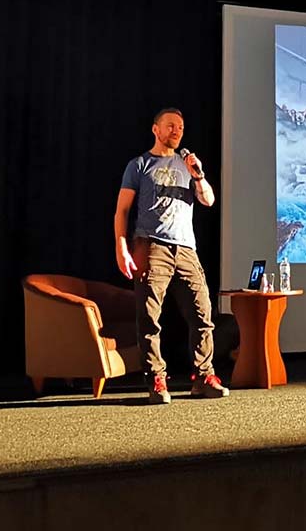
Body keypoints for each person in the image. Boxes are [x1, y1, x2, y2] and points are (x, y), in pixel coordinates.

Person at [114, 108, 228, 404]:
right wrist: (121, 246)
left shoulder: (187, 165)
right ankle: (156, 379)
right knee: (150, 317)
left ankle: (204, 377)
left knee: (203, 315)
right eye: (170, 126)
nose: (177, 131)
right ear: (156, 129)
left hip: (186, 249)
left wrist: (199, 175)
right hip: (151, 246)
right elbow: (122, 210)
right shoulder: (139, 165)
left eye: (180, 126)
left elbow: (208, 200)